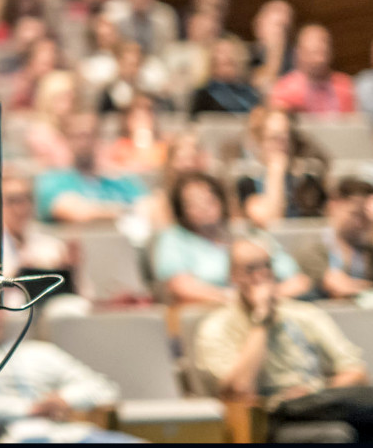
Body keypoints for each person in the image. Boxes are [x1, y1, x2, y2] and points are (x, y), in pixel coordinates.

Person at [194, 238, 373, 442]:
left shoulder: (304, 314)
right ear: (233, 276)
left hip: (318, 403)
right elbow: (239, 390)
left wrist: (317, 391)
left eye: (267, 265)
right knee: (335, 435)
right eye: (251, 269)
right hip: (266, 418)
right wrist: (261, 321)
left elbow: (357, 372)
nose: (262, 275)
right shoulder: (217, 326)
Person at [0, 309, 122, 442]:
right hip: (3, 438)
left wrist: (64, 399)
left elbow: (104, 388)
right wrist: (29, 409)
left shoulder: (40, 353)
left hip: (67, 435)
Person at [153, 174, 310, 305]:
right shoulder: (174, 239)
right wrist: (235, 300)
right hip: (209, 318)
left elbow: (298, 282)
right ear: (181, 210)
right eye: (193, 203)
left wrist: (265, 297)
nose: (203, 207)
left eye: (209, 199)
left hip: (267, 310)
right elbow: (181, 288)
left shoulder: (250, 235)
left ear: (221, 200)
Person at [34, 112, 150, 224]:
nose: (83, 143)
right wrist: (128, 210)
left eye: (89, 135)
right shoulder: (52, 180)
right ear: (67, 140)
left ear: (98, 139)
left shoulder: (119, 180)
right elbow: (74, 212)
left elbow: (149, 207)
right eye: (77, 136)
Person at [296, 178, 373, 300]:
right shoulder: (313, 247)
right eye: (355, 214)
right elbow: (338, 287)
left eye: (365, 217)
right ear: (334, 205)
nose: (360, 223)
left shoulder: (367, 249)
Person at [269, 24, 355, 114]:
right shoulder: (284, 89)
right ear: (299, 53)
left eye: (322, 52)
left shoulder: (345, 85)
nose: (319, 60)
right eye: (312, 52)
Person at [102, 0, 178, 57]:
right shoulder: (112, 9)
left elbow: (169, 49)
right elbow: (106, 45)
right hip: (119, 61)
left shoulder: (166, 15)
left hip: (154, 62)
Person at [189, 35, 262, 117]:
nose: (226, 56)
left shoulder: (249, 92)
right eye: (221, 52)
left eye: (231, 51)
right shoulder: (204, 95)